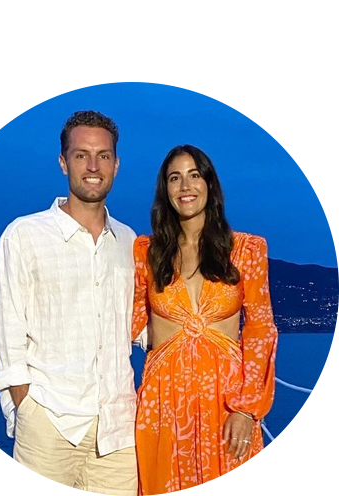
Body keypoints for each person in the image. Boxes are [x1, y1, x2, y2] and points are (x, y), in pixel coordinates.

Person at [0, 110, 138, 496]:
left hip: (116, 428)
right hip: (50, 421)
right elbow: (5, 333)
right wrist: (26, 410)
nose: (92, 165)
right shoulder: (24, 235)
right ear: (63, 162)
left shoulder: (129, 242)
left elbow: (137, 325)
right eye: (80, 154)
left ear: (116, 165)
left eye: (103, 155)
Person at [132, 144, 278, 496]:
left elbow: (260, 330)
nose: (186, 186)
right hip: (163, 403)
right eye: (175, 178)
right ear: (164, 191)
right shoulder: (146, 253)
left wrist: (247, 410)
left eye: (195, 175)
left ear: (209, 185)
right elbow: (126, 321)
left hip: (226, 404)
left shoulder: (246, 250)